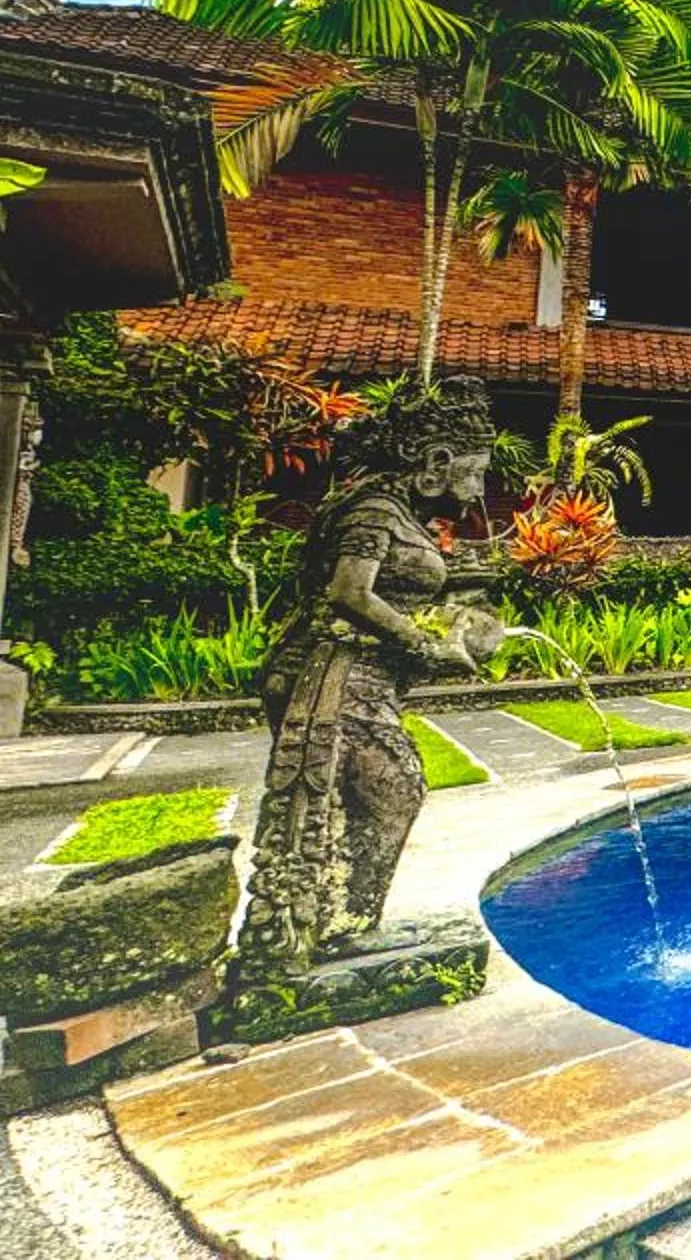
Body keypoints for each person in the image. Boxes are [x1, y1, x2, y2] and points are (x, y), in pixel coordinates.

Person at [233, 377, 502, 981]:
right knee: (386, 791)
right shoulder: (374, 511)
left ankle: (343, 923)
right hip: (333, 672)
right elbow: (348, 592)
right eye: (475, 471)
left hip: (359, 674)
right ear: (437, 462)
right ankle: (332, 931)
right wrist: (422, 645)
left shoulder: (394, 513)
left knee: (368, 796)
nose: (479, 489)